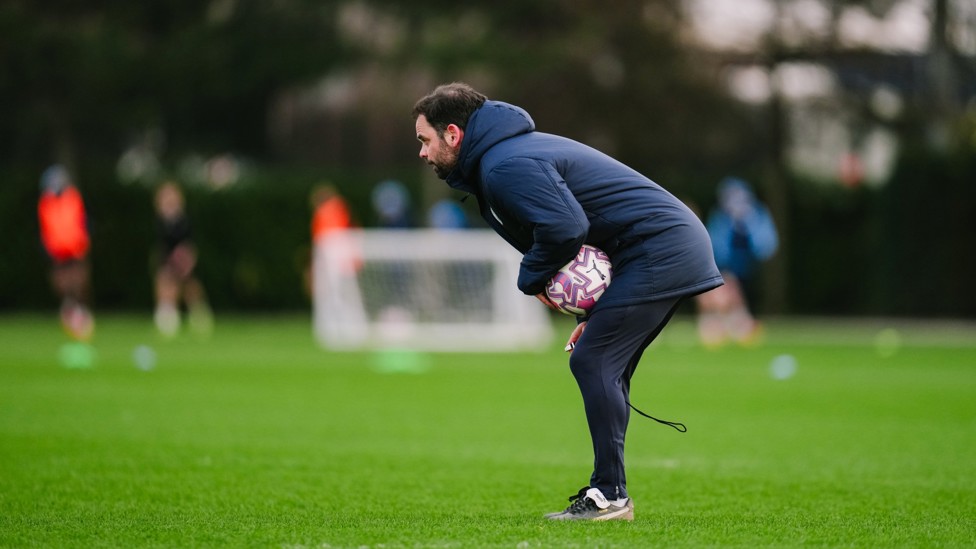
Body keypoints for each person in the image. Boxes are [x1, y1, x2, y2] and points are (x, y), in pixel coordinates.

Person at [411, 83, 723, 521]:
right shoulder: (501, 159)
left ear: (453, 134)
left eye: (425, 140)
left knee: (593, 361)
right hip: (656, 246)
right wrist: (595, 312)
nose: (422, 153)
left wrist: (530, 279)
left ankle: (610, 496)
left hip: (660, 248)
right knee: (601, 363)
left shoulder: (504, 164)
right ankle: (610, 492)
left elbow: (565, 227)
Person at [695, 177, 778, 348]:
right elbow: (716, 244)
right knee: (721, 296)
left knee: (735, 300)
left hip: (748, 268)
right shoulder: (721, 217)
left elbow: (766, 244)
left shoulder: (756, 215)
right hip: (726, 268)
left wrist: (749, 226)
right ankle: (721, 326)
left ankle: (738, 327)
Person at [37, 164, 95, 341]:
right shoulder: (46, 204)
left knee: (78, 284)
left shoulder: (73, 198)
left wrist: (82, 244)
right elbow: (47, 230)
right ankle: (69, 313)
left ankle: (80, 315)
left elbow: (81, 224)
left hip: (75, 250)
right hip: (58, 253)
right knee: (63, 285)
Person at [152, 181, 212, 338]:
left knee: (189, 285)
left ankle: (198, 314)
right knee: (165, 282)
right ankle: (167, 317)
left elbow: (189, 242)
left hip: (184, 258)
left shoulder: (184, 220)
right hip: (167, 258)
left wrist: (185, 259)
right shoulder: (161, 221)